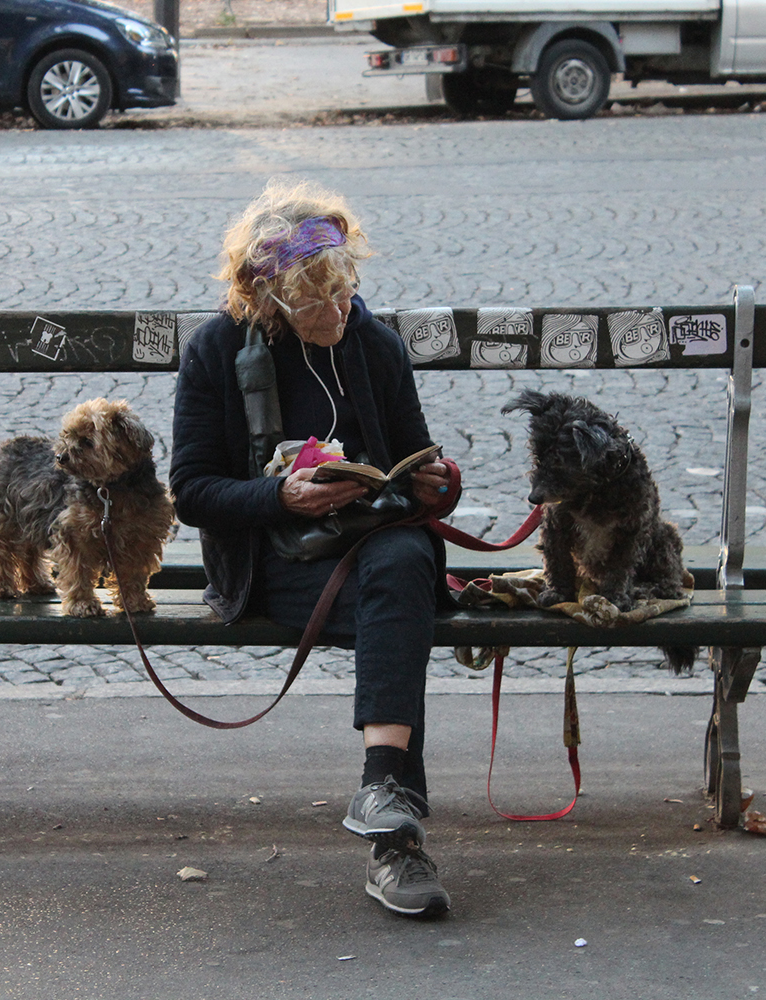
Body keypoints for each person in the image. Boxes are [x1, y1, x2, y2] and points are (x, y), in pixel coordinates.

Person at [169, 179, 457, 917]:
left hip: (376, 549)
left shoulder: (373, 342)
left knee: (402, 566)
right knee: (400, 605)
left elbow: (413, 458)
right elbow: (193, 490)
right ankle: (397, 846)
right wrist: (279, 496)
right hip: (272, 565)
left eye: (344, 293)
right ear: (267, 301)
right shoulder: (217, 350)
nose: (335, 313)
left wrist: (433, 485)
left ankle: (382, 789)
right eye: (312, 304)